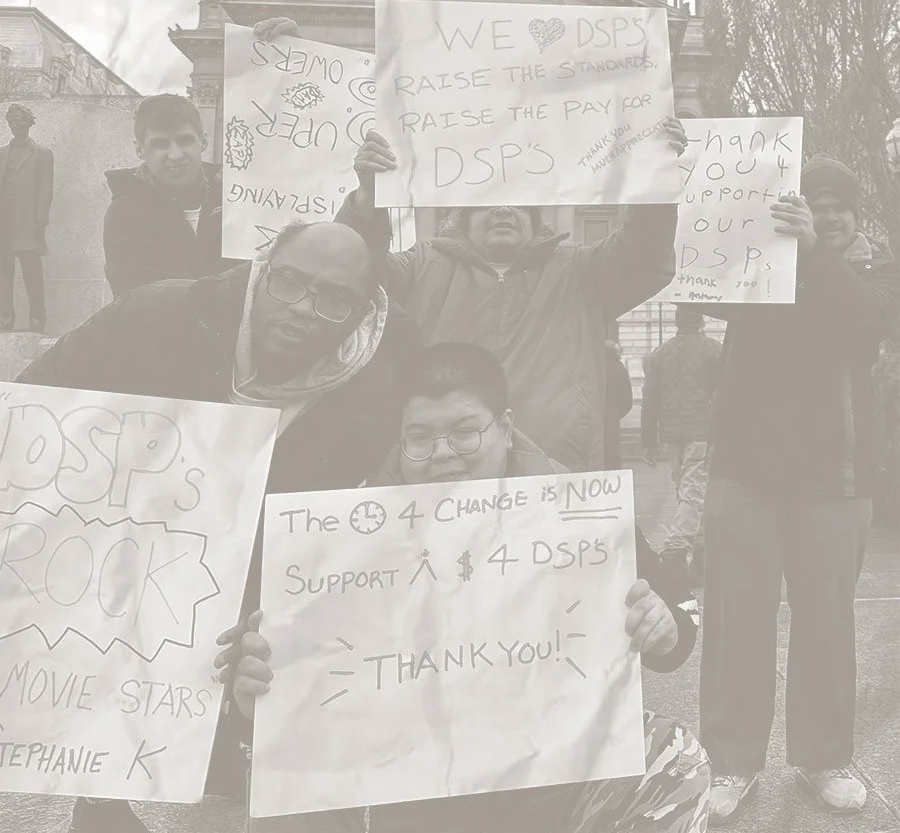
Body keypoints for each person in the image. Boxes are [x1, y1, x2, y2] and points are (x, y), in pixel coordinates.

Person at [18, 219, 416, 833]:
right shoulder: (158, 316)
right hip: (129, 575)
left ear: (365, 310)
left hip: (266, 616)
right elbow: (31, 408)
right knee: (108, 773)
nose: (305, 309)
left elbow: (459, 459)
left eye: (334, 298)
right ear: (261, 269)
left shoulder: (383, 379)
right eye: (289, 282)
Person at [223, 342, 709, 833]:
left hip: (547, 777)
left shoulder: (581, 515)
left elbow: (676, 620)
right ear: (400, 440)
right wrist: (254, 695)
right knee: (287, 785)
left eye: (465, 434)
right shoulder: (342, 535)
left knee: (674, 756)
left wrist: (665, 628)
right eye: (420, 438)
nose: (442, 455)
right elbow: (284, 692)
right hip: (401, 784)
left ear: (505, 426)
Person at [698, 158, 900, 825]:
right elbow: (701, 287)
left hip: (834, 480)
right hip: (743, 471)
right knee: (736, 621)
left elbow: (868, 324)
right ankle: (730, 762)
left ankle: (823, 757)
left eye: (839, 204)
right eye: (814, 202)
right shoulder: (749, 260)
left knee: (827, 622)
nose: (828, 214)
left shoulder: (874, 270)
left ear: (854, 214)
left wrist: (814, 255)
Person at [332, 123, 686, 471]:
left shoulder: (580, 270)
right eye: (488, 204)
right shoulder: (421, 265)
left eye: (518, 205)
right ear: (463, 219)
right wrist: (366, 204)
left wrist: (653, 182)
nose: (504, 210)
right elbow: (351, 274)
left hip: (558, 473)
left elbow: (644, 257)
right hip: (442, 469)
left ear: (536, 221)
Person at [103, 93, 237, 297]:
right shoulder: (125, 213)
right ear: (140, 149)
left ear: (203, 142)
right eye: (161, 144)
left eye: (185, 141)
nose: (175, 155)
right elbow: (151, 299)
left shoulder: (234, 198)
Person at [641, 306, 720, 581]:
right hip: (702, 430)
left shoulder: (659, 354)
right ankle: (674, 554)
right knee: (694, 493)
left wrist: (648, 440)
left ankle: (700, 555)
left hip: (671, 433)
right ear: (701, 320)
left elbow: (649, 400)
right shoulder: (715, 351)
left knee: (685, 492)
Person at [0, 103, 53, 332]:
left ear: (28, 123)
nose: (14, 126)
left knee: (31, 269)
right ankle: (5, 316)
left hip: (27, 221)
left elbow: (45, 189)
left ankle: (37, 317)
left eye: (19, 121)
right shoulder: (1, 153)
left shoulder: (42, 153)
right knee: (3, 270)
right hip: (3, 220)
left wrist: (40, 221)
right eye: (11, 122)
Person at [603, 340, 633, 470]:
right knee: (612, 453)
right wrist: (616, 413)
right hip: (612, 416)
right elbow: (627, 400)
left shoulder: (592, 366)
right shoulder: (619, 368)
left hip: (592, 416)